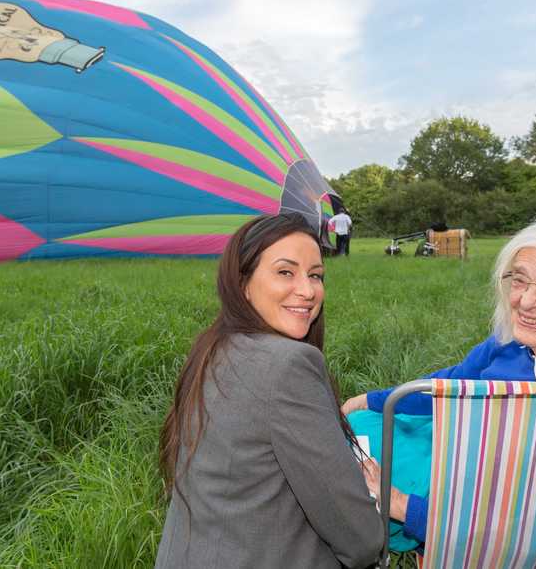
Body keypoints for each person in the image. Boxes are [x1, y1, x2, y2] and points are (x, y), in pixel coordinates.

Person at [342, 213, 536, 545]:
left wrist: (401, 506)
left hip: (461, 509)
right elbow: (452, 384)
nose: (525, 302)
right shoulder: (511, 344)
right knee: (361, 424)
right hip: (457, 451)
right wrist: (372, 399)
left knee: (341, 478)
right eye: (520, 280)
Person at [156, 213, 384, 569]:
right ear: (243, 282)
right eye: (285, 272)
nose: (308, 291)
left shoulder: (211, 350)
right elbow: (361, 539)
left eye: (316, 275)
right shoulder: (287, 365)